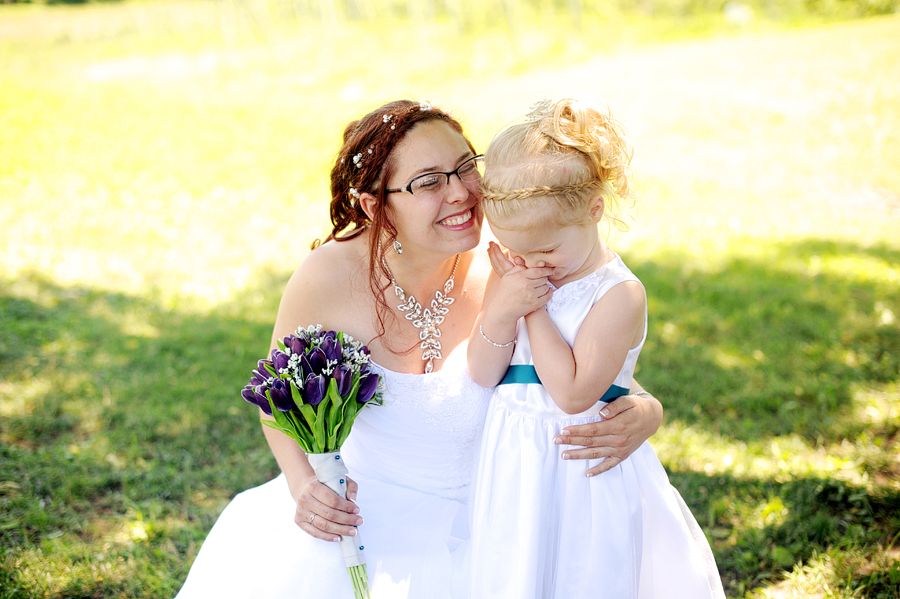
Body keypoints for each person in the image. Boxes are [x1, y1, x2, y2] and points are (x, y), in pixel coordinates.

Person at [175, 99, 665, 599]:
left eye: (465, 168)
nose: (460, 194)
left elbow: (584, 351)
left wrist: (647, 409)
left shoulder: (518, 254)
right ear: (375, 205)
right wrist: (304, 485)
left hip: (510, 517)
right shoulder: (327, 277)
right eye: (429, 182)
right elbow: (279, 400)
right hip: (372, 518)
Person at [466, 98, 725, 598]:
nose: (533, 265)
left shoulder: (617, 294)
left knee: (583, 573)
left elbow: (572, 393)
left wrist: (532, 309)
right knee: (519, 570)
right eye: (518, 252)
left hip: (580, 463)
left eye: (545, 251)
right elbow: (481, 372)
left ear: (595, 209)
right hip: (517, 461)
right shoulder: (518, 276)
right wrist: (501, 310)